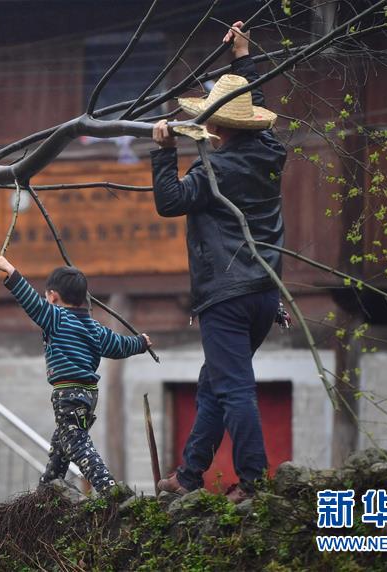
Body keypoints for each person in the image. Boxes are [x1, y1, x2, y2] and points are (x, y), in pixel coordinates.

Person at [150, 21, 286, 503]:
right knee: (215, 384)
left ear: (216, 125)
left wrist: (164, 153)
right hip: (264, 294)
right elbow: (254, 101)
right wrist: (242, 56)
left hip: (226, 297)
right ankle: (190, 475)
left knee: (233, 388)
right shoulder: (271, 153)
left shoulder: (214, 169)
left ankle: (253, 481)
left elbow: (169, 201)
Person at [0, 255, 151, 494]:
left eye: (47, 296)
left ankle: (109, 488)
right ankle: (47, 490)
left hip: (67, 393)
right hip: (89, 395)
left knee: (75, 443)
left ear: (53, 296)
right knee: (61, 444)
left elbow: (30, 300)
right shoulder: (95, 328)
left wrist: (10, 271)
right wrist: (140, 343)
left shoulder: (55, 317)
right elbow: (120, 346)